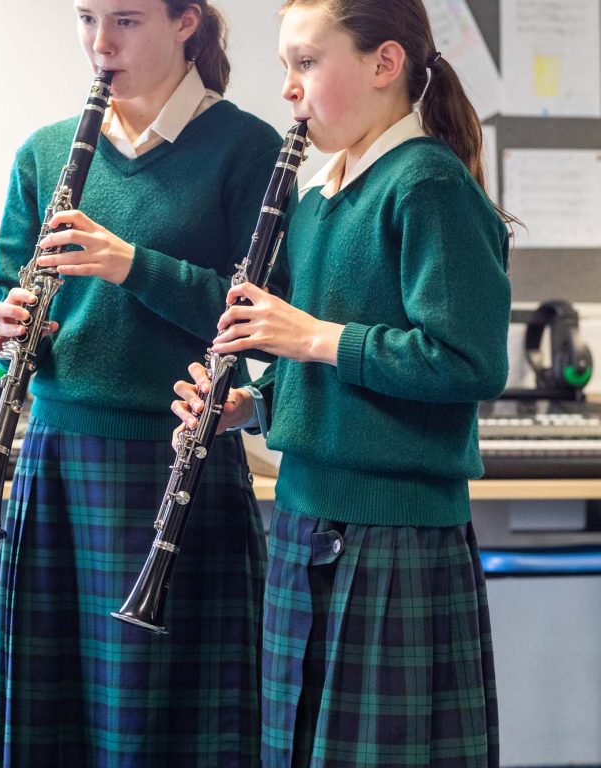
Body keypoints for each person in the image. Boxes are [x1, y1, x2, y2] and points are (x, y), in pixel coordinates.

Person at [172, 1, 516, 766]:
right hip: (306, 523)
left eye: (306, 62)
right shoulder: (321, 192)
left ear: (384, 64)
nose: (288, 89)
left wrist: (315, 337)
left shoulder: (426, 183)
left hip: (394, 535)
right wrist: (247, 405)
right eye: (285, 66)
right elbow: (322, 373)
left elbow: (467, 363)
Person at [0, 1, 290, 765]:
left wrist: (131, 265)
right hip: (54, 460)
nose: (99, 43)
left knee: (165, 725)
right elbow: (2, 307)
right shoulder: (45, 152)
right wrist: (9, 335)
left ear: (186, 23)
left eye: (126, 19)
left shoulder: (247, 149)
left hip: (174, 458)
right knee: (51, 721)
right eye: (86, 18)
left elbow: (267, 311)